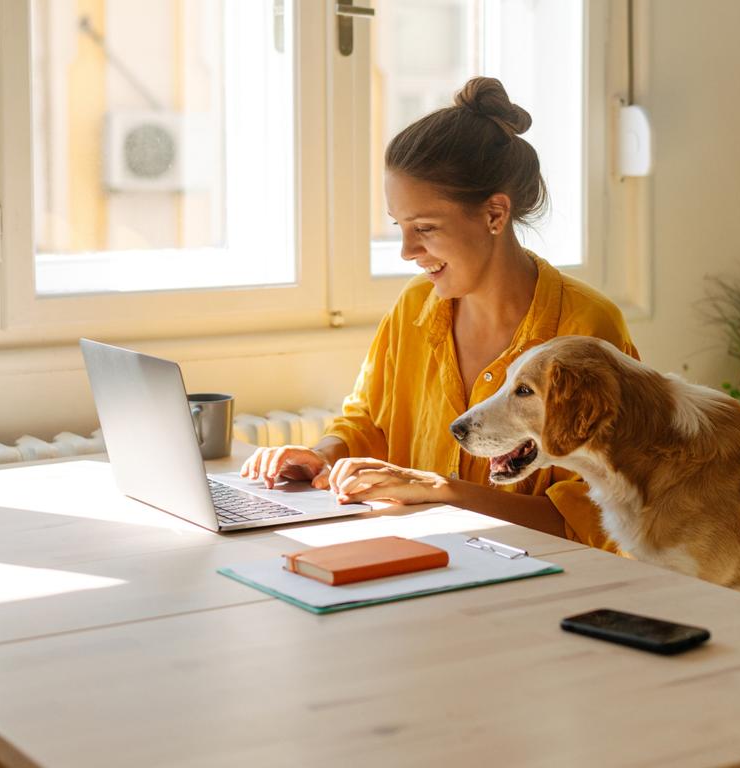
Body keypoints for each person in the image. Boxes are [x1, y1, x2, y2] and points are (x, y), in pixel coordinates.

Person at [241, 76, 638, 549]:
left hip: (540, 584)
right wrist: (321, 454)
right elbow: (369, 422)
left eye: (424, 227)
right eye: (400, 227)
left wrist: (446, 494)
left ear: (495, 214)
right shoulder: (414, 307)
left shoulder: (587, 328)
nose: (408, 250)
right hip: (418, 561)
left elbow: (596, 520)